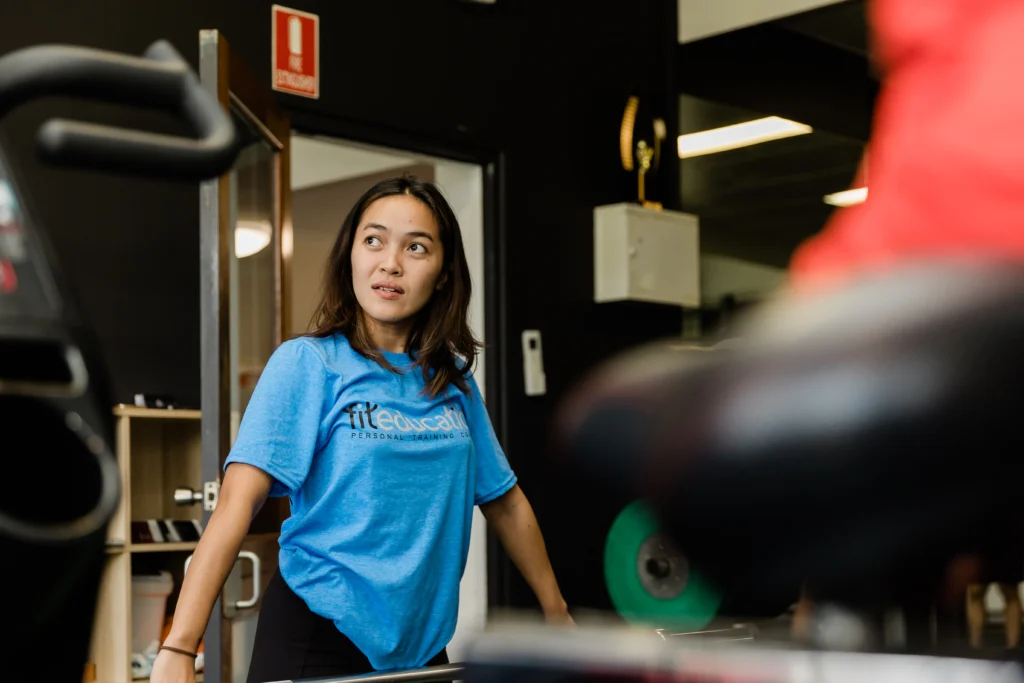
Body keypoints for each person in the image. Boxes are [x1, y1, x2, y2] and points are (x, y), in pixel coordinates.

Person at [151, 176, 572, 683]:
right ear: (350, 254)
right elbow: (238, 504)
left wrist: (557, 614)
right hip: (318, 629)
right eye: (373, 240)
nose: (390, 263)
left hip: (421, 642)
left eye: (416, 247)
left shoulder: (451, 382)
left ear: (442, 274)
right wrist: (179, 648)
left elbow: (505, 502)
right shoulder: (309, 364)